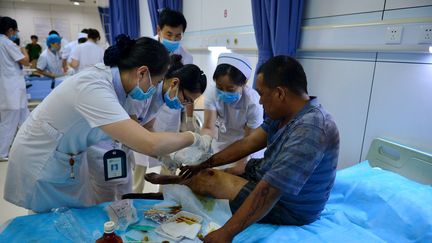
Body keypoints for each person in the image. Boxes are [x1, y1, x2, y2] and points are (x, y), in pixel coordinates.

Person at [3, 35, 212, 213]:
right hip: (43, 158)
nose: (154, 90)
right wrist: (194, 138)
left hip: (69, 157)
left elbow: (138, 131)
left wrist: (164, 155)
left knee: (75, 216)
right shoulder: (95, 88)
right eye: (156, 83)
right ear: (142, 72)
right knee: (50, 224)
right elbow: (148, 141)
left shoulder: (119, 86)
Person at [145, 56, 340, 242]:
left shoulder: (311, 128)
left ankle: (173, 185)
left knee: (209, 181)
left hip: (290, 207)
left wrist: (227, 233)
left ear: (280, 93)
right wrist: (203, 163)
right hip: (263, 177)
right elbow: (248, 143)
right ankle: (177, 182)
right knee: (209, 173)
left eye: (263, 94)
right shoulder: (286, 115)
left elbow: (270, 190)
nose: (261, 100)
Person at [88, 54, 207, 203]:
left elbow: (148, 127)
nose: (185, 105)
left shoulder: (160, 98)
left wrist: (164, 156)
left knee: (124, 198)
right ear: (174, 83)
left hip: (120, 151)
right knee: (106, 202)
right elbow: (134, 137)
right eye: (186, 99)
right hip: (103, 148)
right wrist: (192, 138)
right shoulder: (144, 93)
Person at [132, 8, 196, 193]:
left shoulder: (186, 56)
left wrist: (189, 120)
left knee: (168, 154)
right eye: (169, 34)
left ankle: (163, 195)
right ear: (159, 29)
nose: (174, 40)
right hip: (142, 106)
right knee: (140, 158)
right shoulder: (144, 50)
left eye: (178, 36)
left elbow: (189, 91)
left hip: (170, 111)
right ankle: (134, 194)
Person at [201, 52, 264, 175]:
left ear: (244, 83)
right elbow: (209, 127)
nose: (224, 92)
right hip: (222, 144)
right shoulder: (212, 93)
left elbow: (249, 142)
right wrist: (202, 146)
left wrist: (237, 167)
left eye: (230, 89)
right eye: (219, 87)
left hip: (247, 148)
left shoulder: (253, 102)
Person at [0, 16, 30, 161]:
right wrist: (23, 47)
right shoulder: (6, 43)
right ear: (10, 30)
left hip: (9, 89)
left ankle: (28, 148)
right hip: (11, 89)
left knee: (25, 119)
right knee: (9, 122)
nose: (15, 34)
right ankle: (2, 152)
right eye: (15, 31)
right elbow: (26, 61)